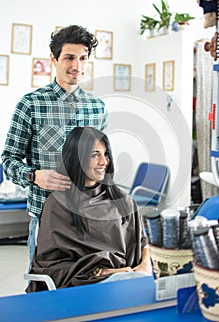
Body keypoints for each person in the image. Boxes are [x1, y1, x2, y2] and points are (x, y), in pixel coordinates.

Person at [1, 25, 107, 263]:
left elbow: (100, 161)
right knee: (42, 289)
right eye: (69, 57)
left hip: (88, 217)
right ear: (54, 59)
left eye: (82, 58)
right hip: (46, 218)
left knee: (84, 289)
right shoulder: (31, 104)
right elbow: (8, 159)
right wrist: (34, 176)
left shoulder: (97, 108)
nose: (76, 66)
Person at [26, 127, 152, 291]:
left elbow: (142, 243)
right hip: (86, 289)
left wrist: (145, 265)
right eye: (95, 155)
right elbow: (52, 265)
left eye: (106, 154)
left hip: (129, 283)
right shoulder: (58, 204)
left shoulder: (123, 201)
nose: (104, 162)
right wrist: (102, 273)